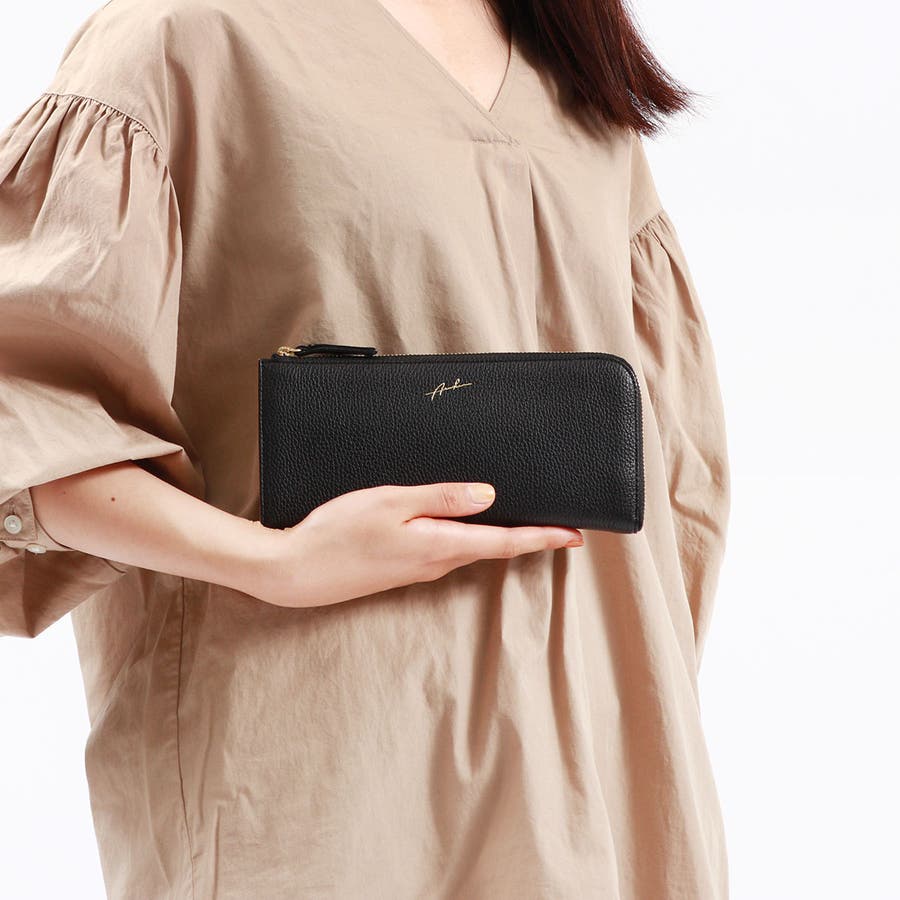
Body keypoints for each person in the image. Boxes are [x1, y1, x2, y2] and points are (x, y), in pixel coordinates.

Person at [0, 0, 732, 897]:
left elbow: (676, 472)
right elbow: (26, 415)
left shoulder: (570, 61)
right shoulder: (186, 37)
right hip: (326, 771)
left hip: (601, 776)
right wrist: (273, 562)